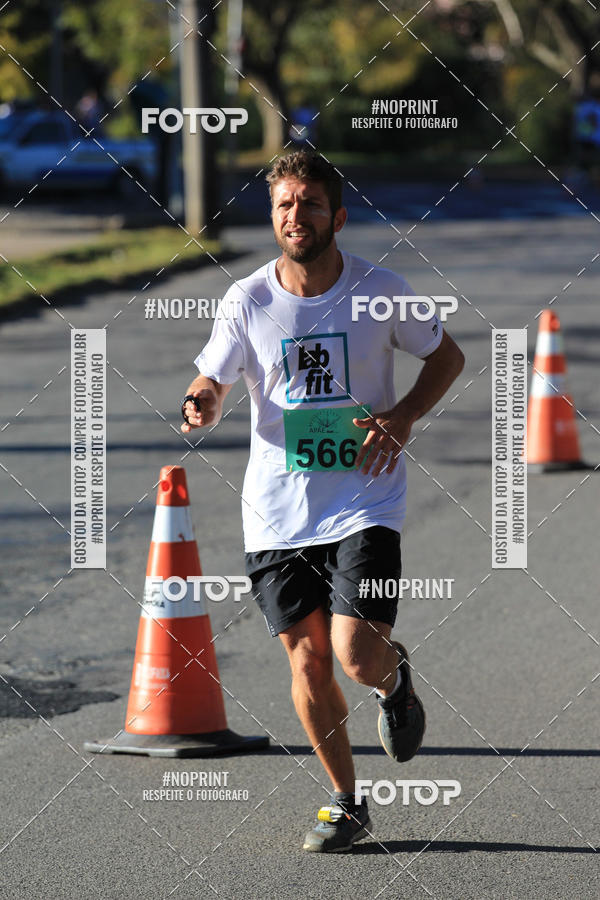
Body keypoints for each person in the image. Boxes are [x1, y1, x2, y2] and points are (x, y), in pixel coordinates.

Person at [181, 150, 464, 852]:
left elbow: (449, 357)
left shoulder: (381, 289)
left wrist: (401, 417)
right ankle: (347, 802)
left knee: (355, 656)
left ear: (336, 215)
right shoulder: (247, 300)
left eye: (308, 203)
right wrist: (201, 403)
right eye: (283, 204)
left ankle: (392, 680)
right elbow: (210, 380)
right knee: (306, 663)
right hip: (275, 512)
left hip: (366, 498)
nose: (294, 215)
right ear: (272, 216)